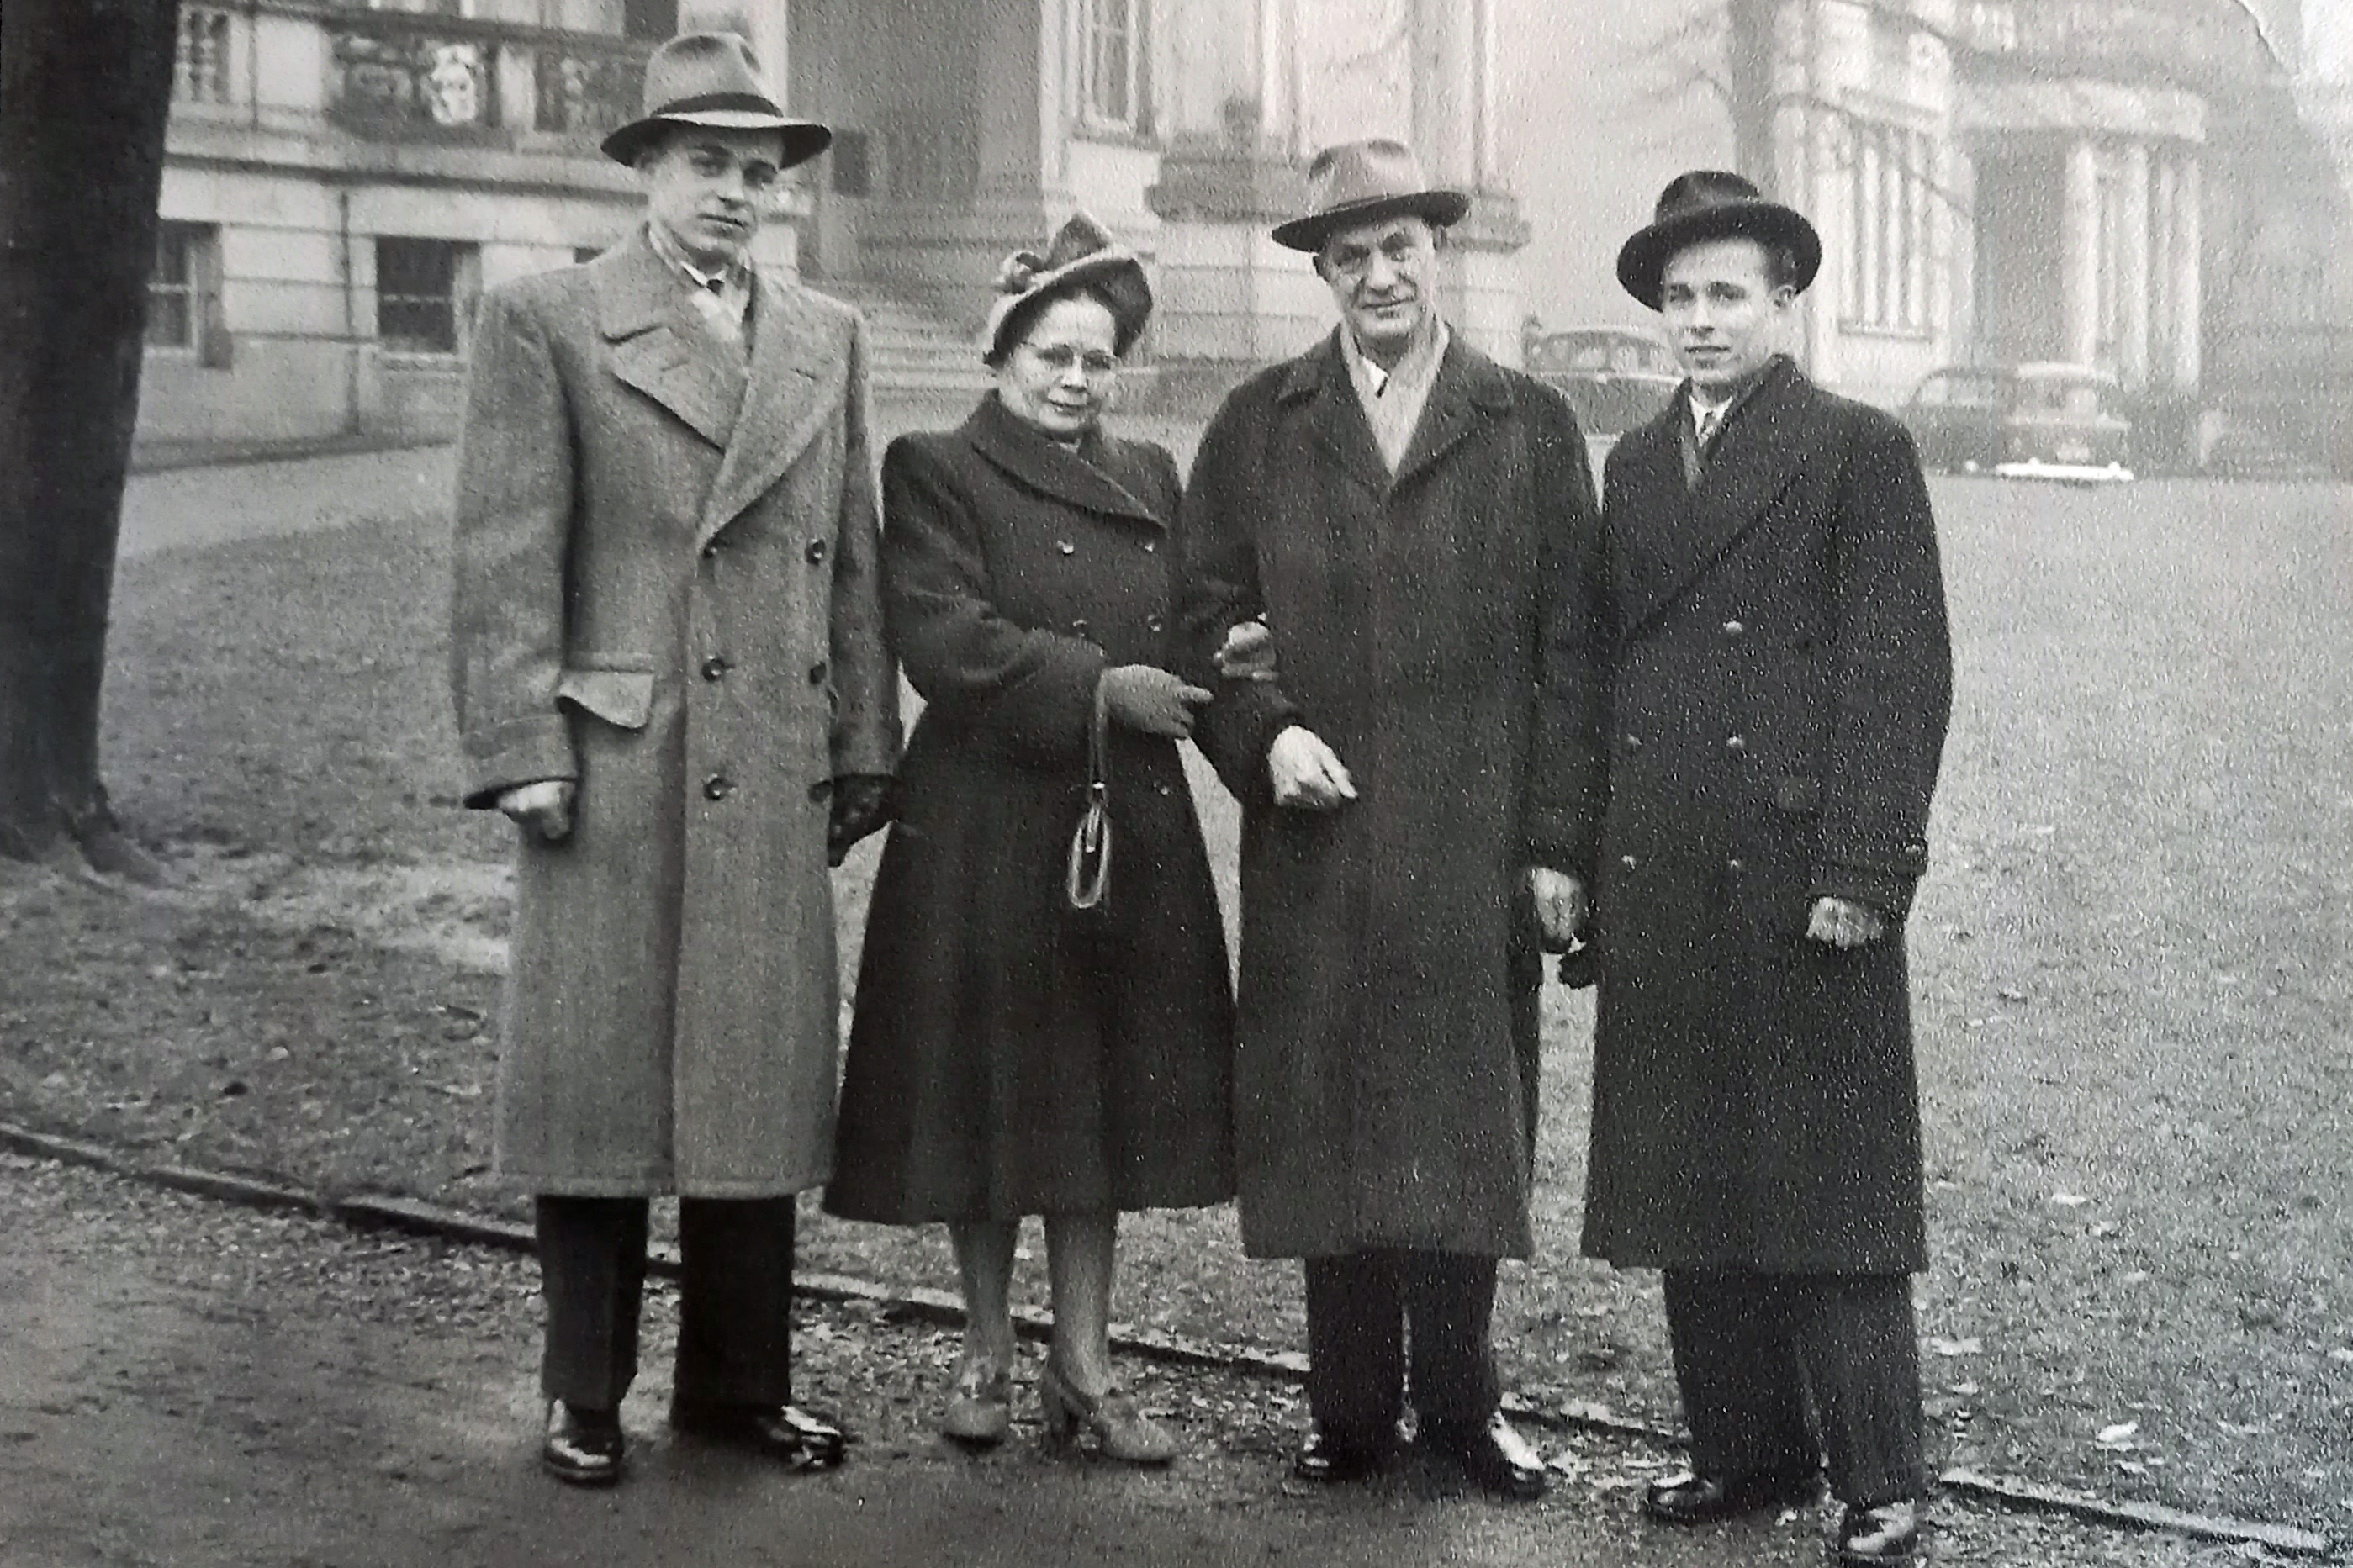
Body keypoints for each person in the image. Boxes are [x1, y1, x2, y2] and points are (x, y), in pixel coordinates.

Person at [448, 32, 899, 1488]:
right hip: (616, 767)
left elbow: (853, 557)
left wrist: (863, 744)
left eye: (757, 172)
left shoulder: (825, 333)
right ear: (644, 166)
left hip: (770, 754)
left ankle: (735, 1388)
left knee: (749, 1088)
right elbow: (506, 553)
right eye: (706, 162)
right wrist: (522, 744)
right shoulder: (549, 320)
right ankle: (583, 1389)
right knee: (597, 1088)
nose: (734, 193)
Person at [1173, 140, 1604, 1501]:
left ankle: (1465, 1405)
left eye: (1398, 248)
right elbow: (1200, 620)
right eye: (1348, 255)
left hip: (1473, 843)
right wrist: (1263, 733)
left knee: (1464, 1119)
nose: (1377, 276)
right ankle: (1348, 1407)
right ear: (1321, 270)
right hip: (1322, 838)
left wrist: (1554, 840)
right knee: (1328, 1115)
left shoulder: (1528, 424)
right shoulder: (1259, 422)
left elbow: (1572, 648)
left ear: (1437, 251)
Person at [1575, 171, 1954, 1566]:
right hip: (1665, 860)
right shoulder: (1632, 464)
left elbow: (1899, 671)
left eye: (1726, 293)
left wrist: (1863, 864)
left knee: (1831, 1179)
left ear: (1782, 299)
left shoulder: (1856, 447)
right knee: (1690, 1170)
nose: (1699, 319)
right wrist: (1589, 854)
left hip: (1802, 874)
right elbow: (1607, 666)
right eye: (1678, 297)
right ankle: (1742, 1452)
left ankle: (1881, 1475)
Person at [825, 214, 1235, 1464]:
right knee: (990, 1094)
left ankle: (1086, 1366)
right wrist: (1100, 685)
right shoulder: (934, 466)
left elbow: (1193, 623)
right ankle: (987, 1351)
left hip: (1125, 825)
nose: (1075, 379)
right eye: (1052, 354)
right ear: (1000, 355)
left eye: (1098, 359)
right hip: (985, 826)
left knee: (1097, 1100)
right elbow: (940, 635)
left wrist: (1233, 656)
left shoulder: (1151, 472)